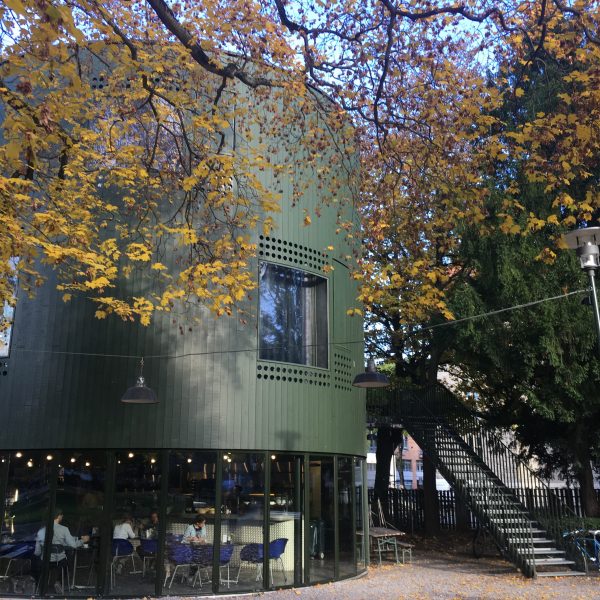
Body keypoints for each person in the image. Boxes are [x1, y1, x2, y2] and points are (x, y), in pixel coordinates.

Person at [34, 508, 90, 594]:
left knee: (46, 564)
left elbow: (37, 552)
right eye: (61, 515)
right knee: (67, 562)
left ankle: (43, 584)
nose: (62, 516)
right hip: (58, 561)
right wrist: (83, 540)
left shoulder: (41, 530)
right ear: (59, 516)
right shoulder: (64, 529)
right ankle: (58, 581)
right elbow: (73, 545)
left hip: (45, 561)